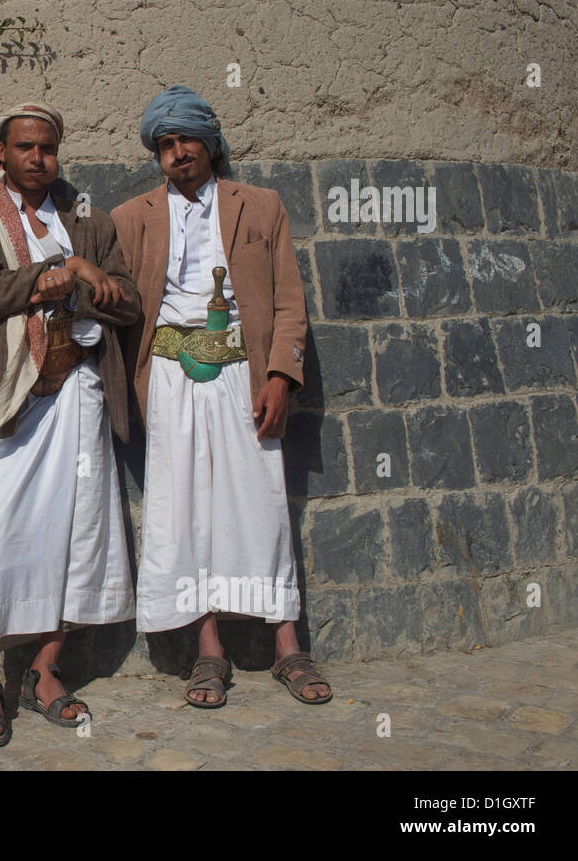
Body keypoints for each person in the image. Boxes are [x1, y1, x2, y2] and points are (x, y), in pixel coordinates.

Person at [111, 86, 332, 707]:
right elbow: (122, 305)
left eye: (187, 139)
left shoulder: (260, 207)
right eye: (165, 144)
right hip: (167, 371)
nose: (177, 152)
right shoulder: (132, 217)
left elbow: (289, 299)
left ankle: (287, 643)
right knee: (181, 506)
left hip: (244, 367)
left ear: (210, 142)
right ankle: (209, 651)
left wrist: (281, 377)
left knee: (258, 499)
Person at [0, 102, 140, 746]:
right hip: (9, 396)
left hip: (79, 386)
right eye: (25, 147)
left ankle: (47, 671)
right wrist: (70, 272)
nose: (38, 158)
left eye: (48, 148)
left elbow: (129, 302)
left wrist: (83, 280)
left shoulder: (90, 220)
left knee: (79, 528)